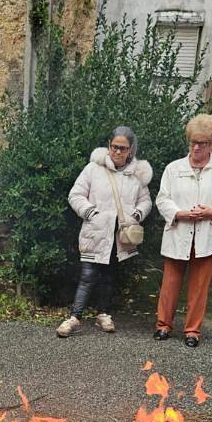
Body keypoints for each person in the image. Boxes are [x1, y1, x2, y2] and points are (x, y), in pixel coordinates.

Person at [58, 127, 152, 337]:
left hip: (119, 236)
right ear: (109, 146)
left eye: (123, 148)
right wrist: (90, 212)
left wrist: (136, 215)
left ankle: (103, 314)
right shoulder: (93, 169)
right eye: (114, 147)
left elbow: (145, 201)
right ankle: (75, 317)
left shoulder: (136, 175)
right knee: (88, 275)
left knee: (110, 274)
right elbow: (76, 194)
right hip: (96, 232)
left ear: (131, 150)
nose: (117, 152)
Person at [153, 113, 212, 348]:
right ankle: (163, 325)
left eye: (204, 143)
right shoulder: (174, 168)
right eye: (194, 142)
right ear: (188, 141)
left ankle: (192, 330)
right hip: (179, 231)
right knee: (170, 283)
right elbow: (163, 199)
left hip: (206, 234)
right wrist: (179, 213)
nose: (198, 147)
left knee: (199, 287)